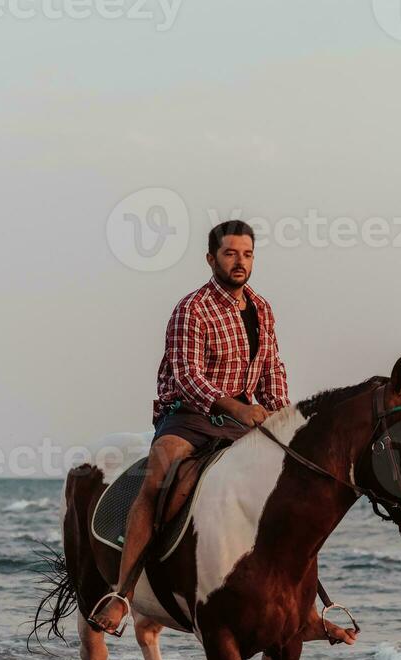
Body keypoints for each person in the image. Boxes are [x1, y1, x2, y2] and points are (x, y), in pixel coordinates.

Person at [87, 220, 288, 634]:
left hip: (241, 420)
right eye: (231, 254)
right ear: (211, 258)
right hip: (189, 414)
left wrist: (283, 418)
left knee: (288, 486)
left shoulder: (263, 309)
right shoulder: (191, 309)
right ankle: (123, 594)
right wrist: (234, 407)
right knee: (158, 475)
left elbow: (271, 369)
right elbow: (187, 375)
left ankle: (294, 600)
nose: (240, 262)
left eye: (247, 254)